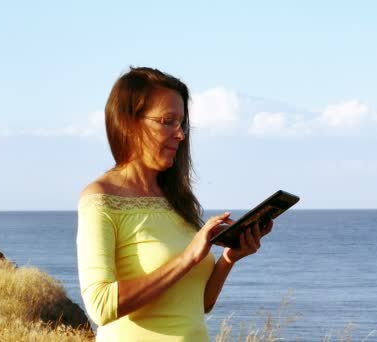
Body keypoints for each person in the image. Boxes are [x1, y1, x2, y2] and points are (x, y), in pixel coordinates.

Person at [76, 66, 273, 341]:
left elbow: (198, 304)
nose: (180, 134)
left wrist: (229, 258)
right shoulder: (101, 198)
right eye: (168, 121)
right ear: (129, 123)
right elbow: (100, 305)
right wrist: (188, 257)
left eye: (182, 124)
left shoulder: (177, 199)